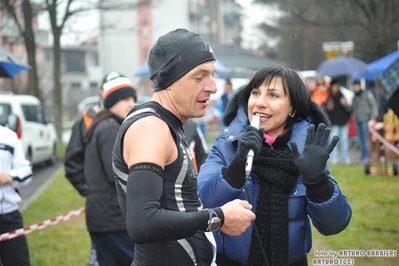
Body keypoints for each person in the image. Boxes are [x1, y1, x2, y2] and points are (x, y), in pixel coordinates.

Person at [112, 28, 256, 266]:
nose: (213, 87)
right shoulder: (150, 127)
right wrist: (219, 218)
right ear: (169, 79)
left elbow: (179, 203)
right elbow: (142, 223)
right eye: (200, 77)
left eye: (212, 75)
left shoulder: (171, 123)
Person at [197, 66, 352, 266]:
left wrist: (317, 182)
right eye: (255, 93)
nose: (260, 103)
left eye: (273, 95)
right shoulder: (227, 145)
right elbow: (200, 206)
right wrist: (237, 167)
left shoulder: (307, 150)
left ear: (293, 108)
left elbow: (334, 224)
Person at [84, 72, 137, 266]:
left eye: (132, 98)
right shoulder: (110, 128)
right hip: (114, 218)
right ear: (111, 101)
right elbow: (118, 173)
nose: (131, 103)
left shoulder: (102, 124)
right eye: (124, 99)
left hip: (102, 217)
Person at [64, 75, 106, 266]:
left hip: (130, 206)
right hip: (102, 208)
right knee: (102, 254)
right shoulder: (86, 121)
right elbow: (72, 163)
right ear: (101, 93)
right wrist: (89, 190)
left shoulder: (130, 119)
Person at [0, 124, 33, 266]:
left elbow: (25, 169)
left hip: (9, 216)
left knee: (18, 262)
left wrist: (10, 177)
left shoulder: (8, 136)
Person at [351, 80, 378, 164]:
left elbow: (373, 106)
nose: (354, 88)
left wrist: (373, 118)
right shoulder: (354, 97)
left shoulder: (366, 94)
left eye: (356, 86)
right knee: (361, 140)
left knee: (366, 140)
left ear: (359, 86)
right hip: (357, 120)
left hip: (365, 120)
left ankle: (367, 157)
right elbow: (353, 109)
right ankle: (363, 156)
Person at [325, 78, 352, 165]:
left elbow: (348, 110)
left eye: (337, 86)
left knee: (344, 140)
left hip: (343, 121)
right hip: (334, 123)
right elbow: (327, 111)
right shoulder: (329, 97)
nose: (335, 88)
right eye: (334, 86)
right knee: (333, 141)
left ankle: (345, 157)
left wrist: (344, 104)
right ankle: (334, 158)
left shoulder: (342, 96)